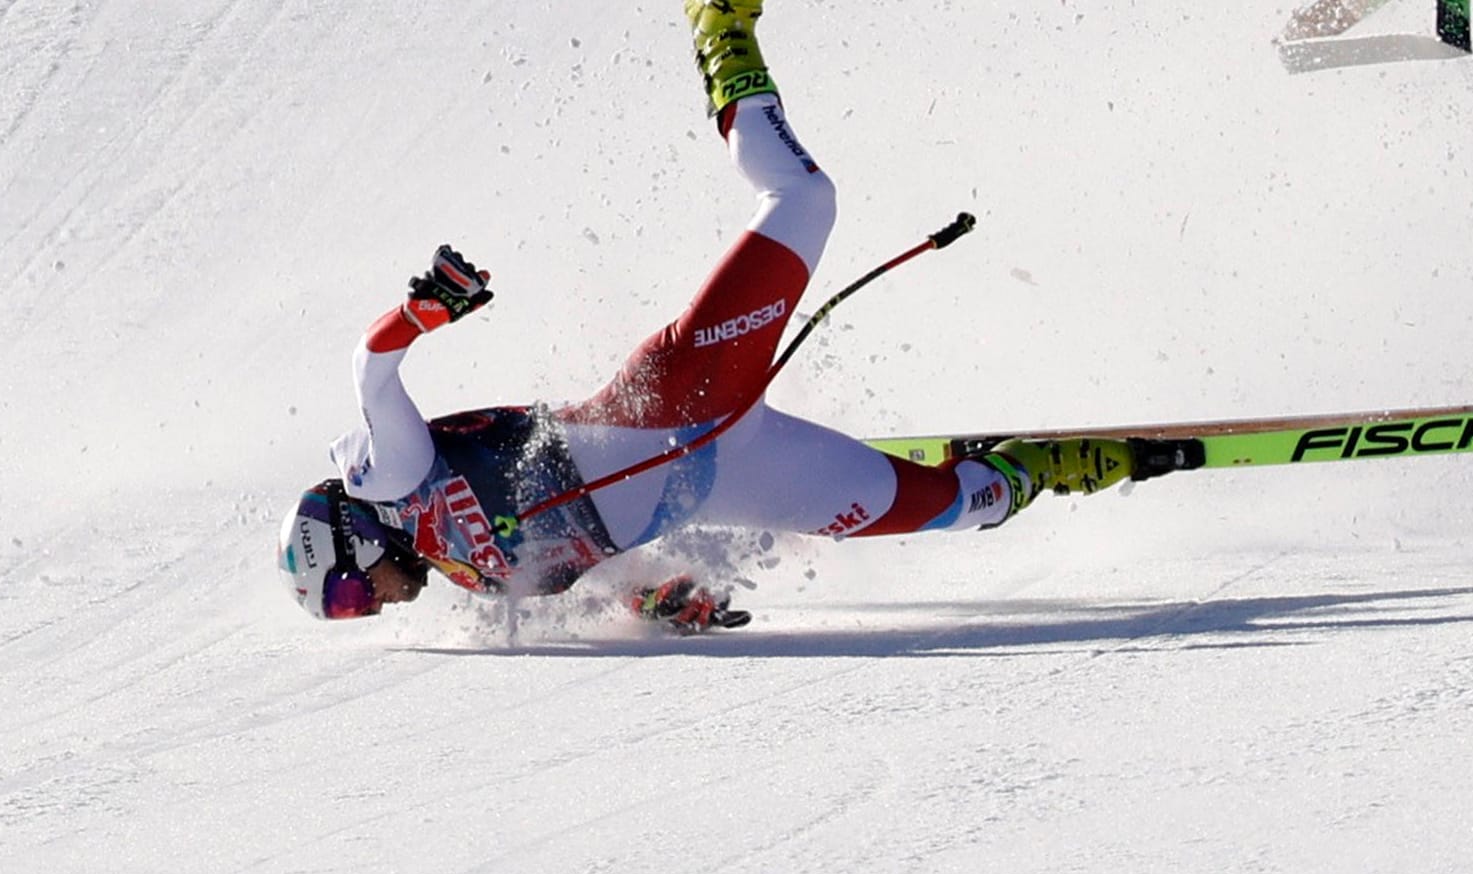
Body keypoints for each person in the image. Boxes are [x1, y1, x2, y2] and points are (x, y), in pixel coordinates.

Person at [276, 0, 1137, 632]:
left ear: (351, 541)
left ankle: (720, 33)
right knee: (961, 508)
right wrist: (660, 601)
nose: (373, 607)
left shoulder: (389, 479)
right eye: (354, 612)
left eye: (353, 594)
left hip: (682, 395)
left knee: (804, 196)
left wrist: (422, 311)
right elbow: (591, 564)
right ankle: (1048, 467)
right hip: (732, 474)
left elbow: (370, 367)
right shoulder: (471, 578)